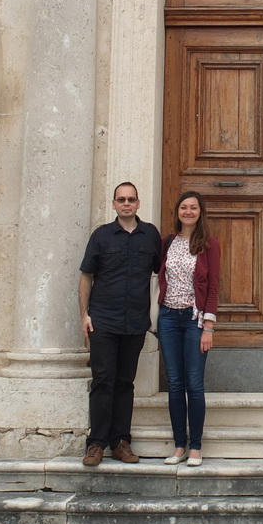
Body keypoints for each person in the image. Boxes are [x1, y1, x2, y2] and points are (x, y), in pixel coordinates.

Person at [78, 181, 161, 467]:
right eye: (121, 199)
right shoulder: (101, 236)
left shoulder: (150, 235)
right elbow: (86, 276)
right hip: (103, 321)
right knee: (103, 381)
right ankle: (96, 443)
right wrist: (84, 315)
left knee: (125, 383)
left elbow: (161, 273)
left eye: (131, 199)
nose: (126, 204)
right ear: (114, 204)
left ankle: (121, 443)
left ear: (138, 203)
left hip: (135, 322)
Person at [156, 190, 222, 467]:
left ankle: (195, 447)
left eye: (193, 207)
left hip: (195, 320)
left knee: (194, 383)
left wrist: (209, 327)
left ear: (200, 212)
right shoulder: (168, 242)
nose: (188, 212)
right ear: (177, 212)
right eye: (184, 207)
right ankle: (179, 445)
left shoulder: (209, 244)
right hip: (168, 318)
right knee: (174, 383)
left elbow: (213, 286)